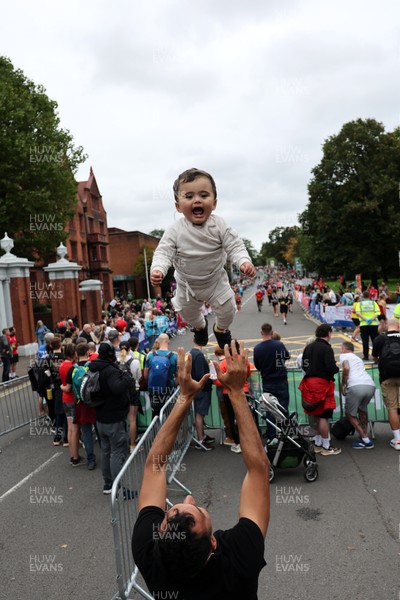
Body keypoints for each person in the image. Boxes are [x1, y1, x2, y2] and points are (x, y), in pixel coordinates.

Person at [132, 342, 269, 599]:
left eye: (173, 509)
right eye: (197, 508)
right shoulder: (239, 557)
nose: (188, 498)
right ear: (214, 543)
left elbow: (155, 465)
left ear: (160, 535)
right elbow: (259, 470)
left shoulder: (151, 557)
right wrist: (237, 392)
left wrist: (184, 398)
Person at [150, 168, 255, 349]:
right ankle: (200, 327)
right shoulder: (175, 230)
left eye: (203, 195)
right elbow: (163, 252)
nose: (197, 200)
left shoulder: (219, 225)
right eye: (189, 196)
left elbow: (235, 246)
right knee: (185, 312)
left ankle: (221, 329)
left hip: (214, 280)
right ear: (178, 205)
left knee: (229, 310)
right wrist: (158, 269)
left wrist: (244, 262)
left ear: (214, 203)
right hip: (187, 284)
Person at [88, 341, 137, 493]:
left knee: (106, 451)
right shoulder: (110, 370)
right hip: (113, 418)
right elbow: (117, 388)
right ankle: (119, 488)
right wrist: (127, 378)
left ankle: (108, 485)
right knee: (116, 452)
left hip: (100, 417)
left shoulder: (94, 367)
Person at [299, 323, 341, 456]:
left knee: (315, 414)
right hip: (322, 383)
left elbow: (304, 365)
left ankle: (317, 444)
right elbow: (330, 367)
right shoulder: (326, 348)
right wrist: (335, 369)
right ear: (328, 333)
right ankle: (326, 446)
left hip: (309, 382)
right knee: (324, 415)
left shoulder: (309, 347)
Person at [253, 323, 290, 441]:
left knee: (269, 409)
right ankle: (285, 434)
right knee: (283, 407)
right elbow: (287, 357)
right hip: (281, 380)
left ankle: (271, 436)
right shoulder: (279, 345)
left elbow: (258, 366)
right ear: (272, 332)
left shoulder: (257, 348)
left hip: (267, 381)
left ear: (261, 333)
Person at [215, 341, 252, 454]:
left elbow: (218, 380)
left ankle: (238, 443)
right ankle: (248, 442)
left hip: (228, 392)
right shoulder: (244, 360)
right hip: (243, 391)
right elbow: (248, 373)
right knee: (245, 417)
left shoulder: (224, 363)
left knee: (232, 418)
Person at [340, 341, 376, 449]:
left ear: (344, 348)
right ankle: (362, 439)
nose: (340, 350)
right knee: (362, 410)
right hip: (370, 385)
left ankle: (366, 439)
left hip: (356, 385)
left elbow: (346, 368)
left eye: (341, 348)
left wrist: (342, 385)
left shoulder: (344, 356)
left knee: (350, 414)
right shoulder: (358, 358)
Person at [372, 318, 400, 451]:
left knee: (392, 408)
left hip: (386, 376)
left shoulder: (380, 339)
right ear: (399, 326)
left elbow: (374, 357)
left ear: (387, 326)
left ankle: (398, 439)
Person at [144, 333, 178, 418]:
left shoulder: (150, 356)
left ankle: (157, 431)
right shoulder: (174, 356)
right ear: (168, 342)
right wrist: (175, 384)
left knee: (155, 415)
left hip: (154, 389)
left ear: (158, 342)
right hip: (168, 389)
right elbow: (178, 376)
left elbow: (145, 375)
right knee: (169, 415)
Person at [190, 343, 215, 450]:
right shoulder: (199, 355)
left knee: (200, 414)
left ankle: (203, 436)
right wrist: (211, 378)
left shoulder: (192, 353)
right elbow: (201, 375)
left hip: (198, 388)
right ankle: (200, 440)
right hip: (202, 389)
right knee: (200, 414)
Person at [354, 291, 380, 361]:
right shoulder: (374, 303)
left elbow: (358, 313)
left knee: (365, 341)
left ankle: (366, 356)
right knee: (375, 341)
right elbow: (378, 313)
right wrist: (371, 319)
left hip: (363, 324)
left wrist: (365, 319)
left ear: (362, 296)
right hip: (373, 324)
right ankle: (375, 356)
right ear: (369, 296)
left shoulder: (360, 304)